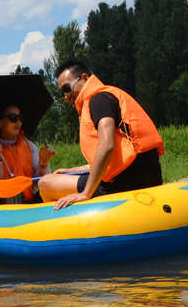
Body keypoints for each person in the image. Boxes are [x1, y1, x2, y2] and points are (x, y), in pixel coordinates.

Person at [38, 61, 164, 210]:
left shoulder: (98, 100)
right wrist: (70, 171)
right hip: (146, 177)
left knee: (45, 183)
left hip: (122, 184)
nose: (66, 96)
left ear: (84, 78)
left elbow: (107, 146)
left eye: (67, 88)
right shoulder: (108, 95)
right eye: (62, 93)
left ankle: (60, 227)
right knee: (60, 176)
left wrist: (86, 193)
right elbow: (114, 158)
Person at [0, 103, 55, 204]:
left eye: (20, 118)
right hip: (2, 206)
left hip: (29, 203)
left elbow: (39, 182)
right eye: (13, 118)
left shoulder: (28, 145)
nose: (19, 122)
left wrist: (43, 165)